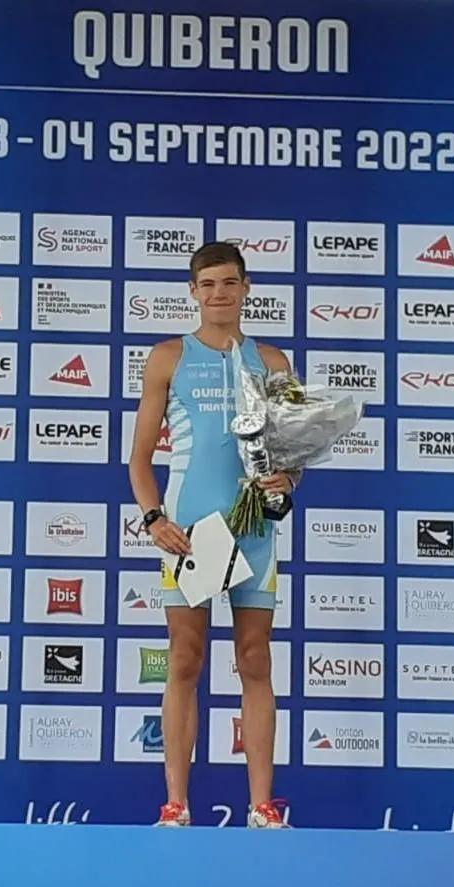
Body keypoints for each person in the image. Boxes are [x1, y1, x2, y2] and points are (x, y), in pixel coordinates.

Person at [128, 241, 300, 829]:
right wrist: (155, 519)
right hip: (192, 531)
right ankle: (175, 804)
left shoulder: (272, 361)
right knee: (185, 658)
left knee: (255, 659)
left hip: (254, 530)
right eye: (208, 284)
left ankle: (262, 806)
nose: (219, 293)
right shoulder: (168, 357)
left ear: (246, 288)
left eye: (230, 282)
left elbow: (291, 453)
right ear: (193, 292)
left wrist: (288, 477)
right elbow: (139, 460)